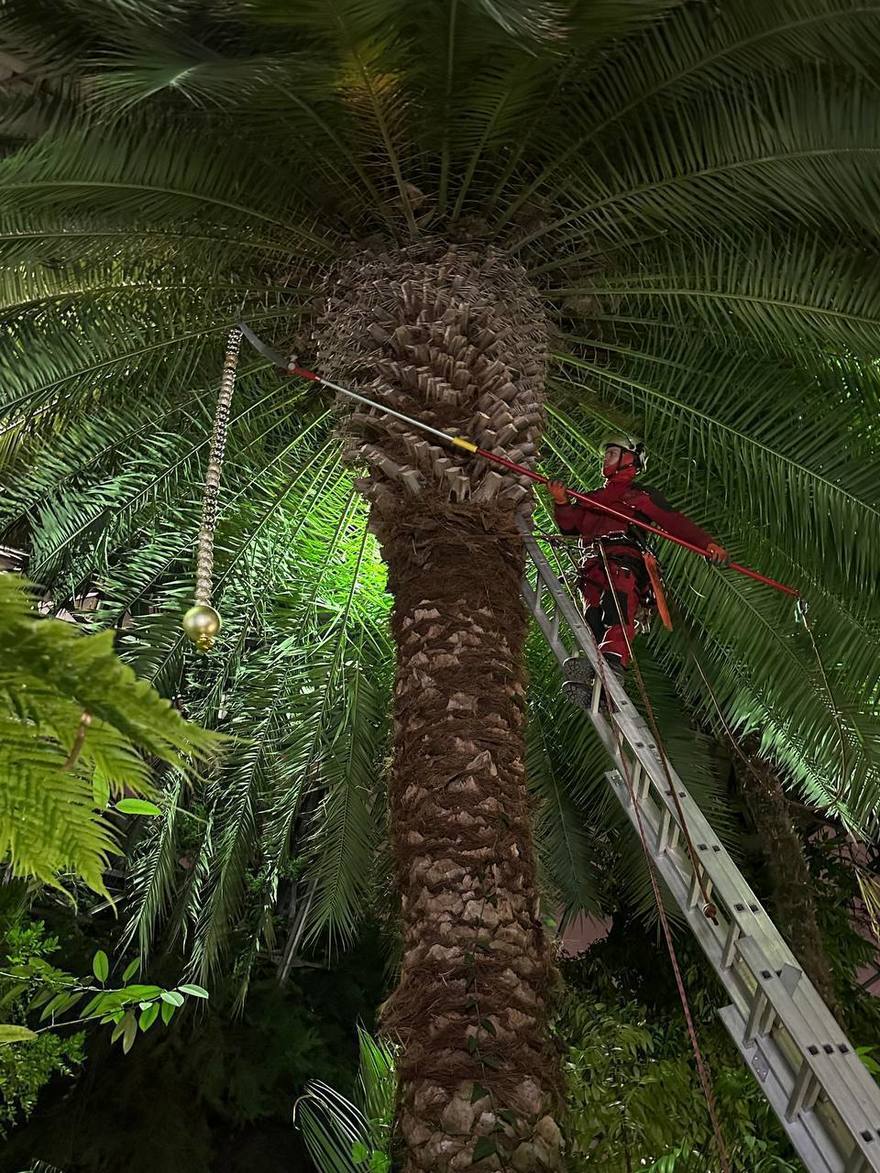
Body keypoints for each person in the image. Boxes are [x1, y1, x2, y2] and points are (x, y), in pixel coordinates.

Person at [548, 436, 728, 697]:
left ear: (630, 459)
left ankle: (612, 660)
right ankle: (594, 678)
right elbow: (570, 527)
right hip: (592, 567)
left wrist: (707, 544)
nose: (606, 458)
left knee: (616, 609)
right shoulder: (592, 498)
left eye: (612, 452)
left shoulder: (639, 495)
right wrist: (562, 503)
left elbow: (674, 522)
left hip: (622, 561)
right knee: (593, 619)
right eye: (606, 453)